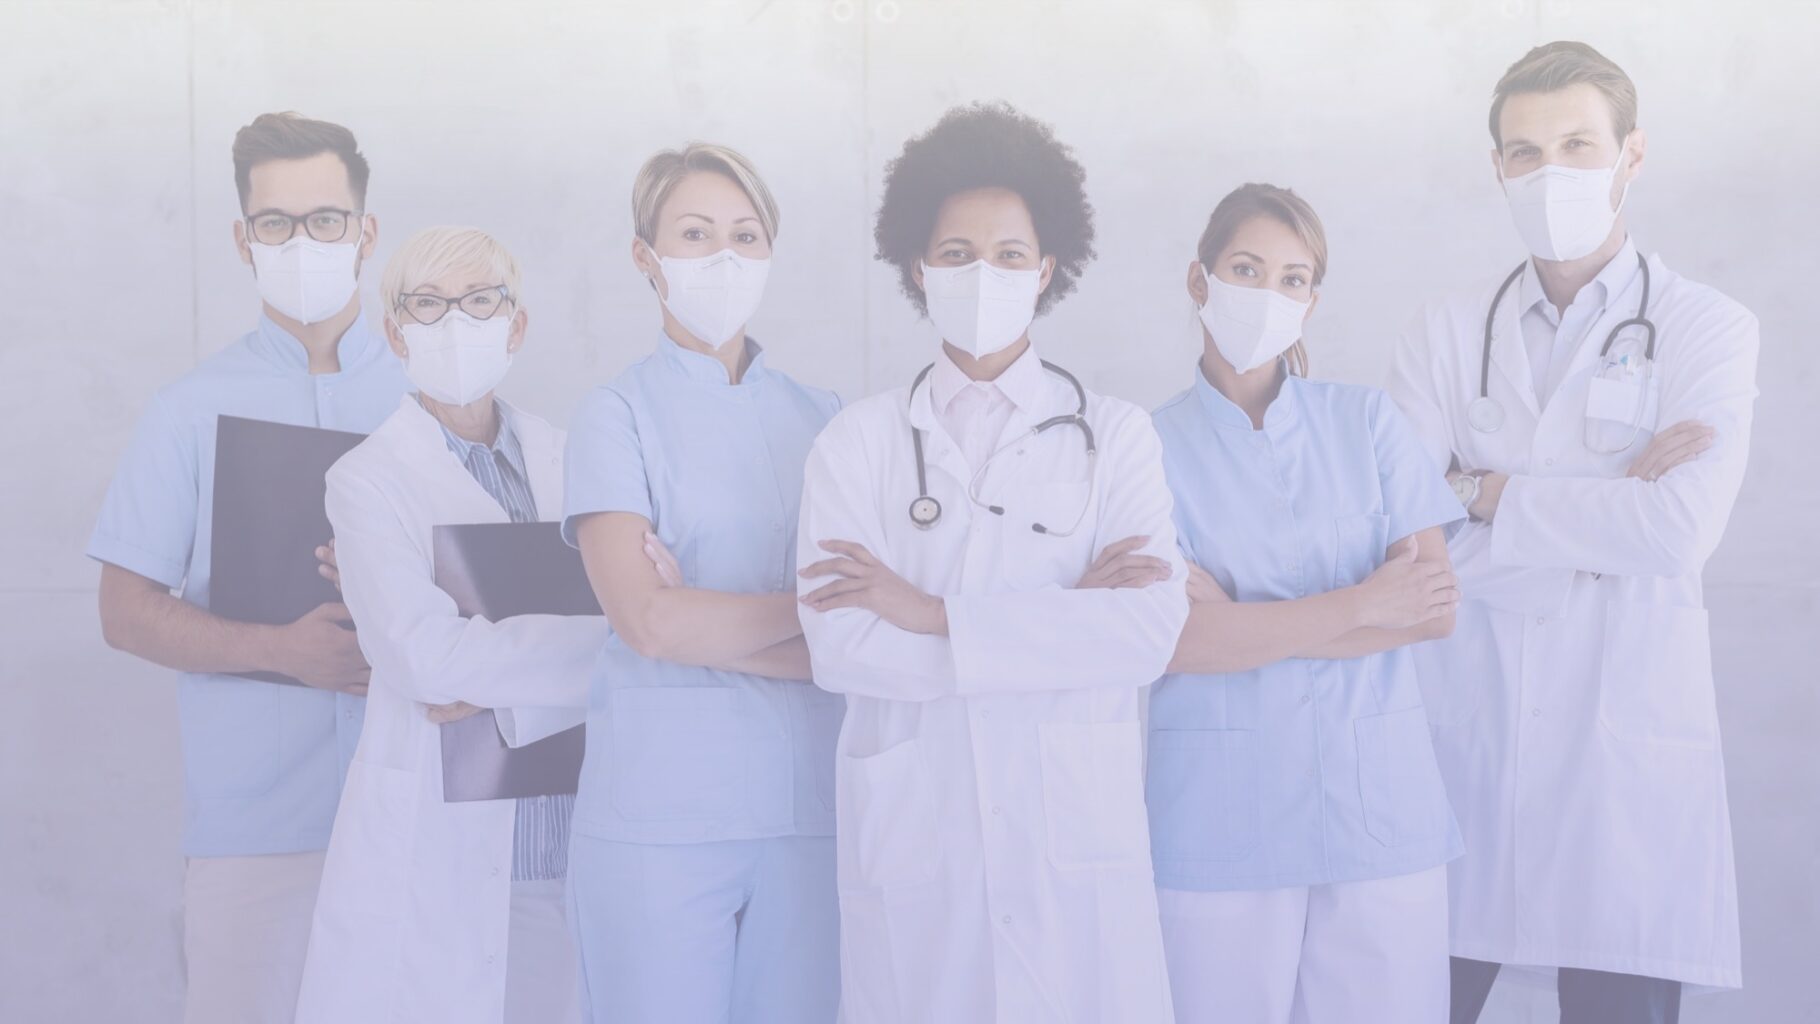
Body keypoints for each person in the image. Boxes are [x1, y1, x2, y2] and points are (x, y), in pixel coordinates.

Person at [1388, 41, 1758, 1024]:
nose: (1548, 173)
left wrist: (1480, 491)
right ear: (1496, 168)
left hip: (1618, 777)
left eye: (1577, 146)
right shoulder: (1441, 331)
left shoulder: (1706, 327)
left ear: (1631, 155)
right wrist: (1602, 518)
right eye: (1524, 152)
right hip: (1464, 752)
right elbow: (1406, 546)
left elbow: (1674, 532)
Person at [795, 101, 1187, 1023]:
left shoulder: (1117, 436)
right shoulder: (857, 442)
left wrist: (929, 613)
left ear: (1047, 268)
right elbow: (841, 647)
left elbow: (1144, 634)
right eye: (958, 253)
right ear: (919, 268)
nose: (984, 275)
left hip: (1072, 841)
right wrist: (1063, 622)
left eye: (1010, 255)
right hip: (921, 837)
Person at [88, 112, 406, 1024]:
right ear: (243, 240)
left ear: (366, 233)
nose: (302, 242)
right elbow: (124, 609)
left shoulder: (433, 399)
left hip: (417, 810)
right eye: (277, 223)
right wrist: (281, 651)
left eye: (325, 219)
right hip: (258, 830)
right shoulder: (189, 410)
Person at [1146, 183, 1464, 1023]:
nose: (1268, 293)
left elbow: (1433, 607)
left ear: (1311, 302)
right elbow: (1171, 641)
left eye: (1293, 279)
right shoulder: (1143, 447)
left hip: (1379, 814)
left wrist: (1239, 625)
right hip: (1220, 820)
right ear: (1199, 279)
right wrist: (1367, 601)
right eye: (1247, 269)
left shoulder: (1368, 422)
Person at [562, 143, 844, 1023]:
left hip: (810, 816)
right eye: (694, 234)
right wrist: (809, 612)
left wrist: (705, 624)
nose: (723, 256)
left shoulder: (829, 421)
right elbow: (648, 623)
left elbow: (860, 639)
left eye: (744, 235)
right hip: (659, 821)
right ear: (645, 257)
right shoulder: (615, 416)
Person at [292, 226, 601, 1023]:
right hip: (444, 840)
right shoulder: (366, 481)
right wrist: (602, 654)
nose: (456, 323)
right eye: (427, 305)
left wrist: (506, 685)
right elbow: (423, 660)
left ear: (517, 325)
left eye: (480, 301)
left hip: (579, 831)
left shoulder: (579, 459)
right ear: (395, 333)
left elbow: (638, 627)